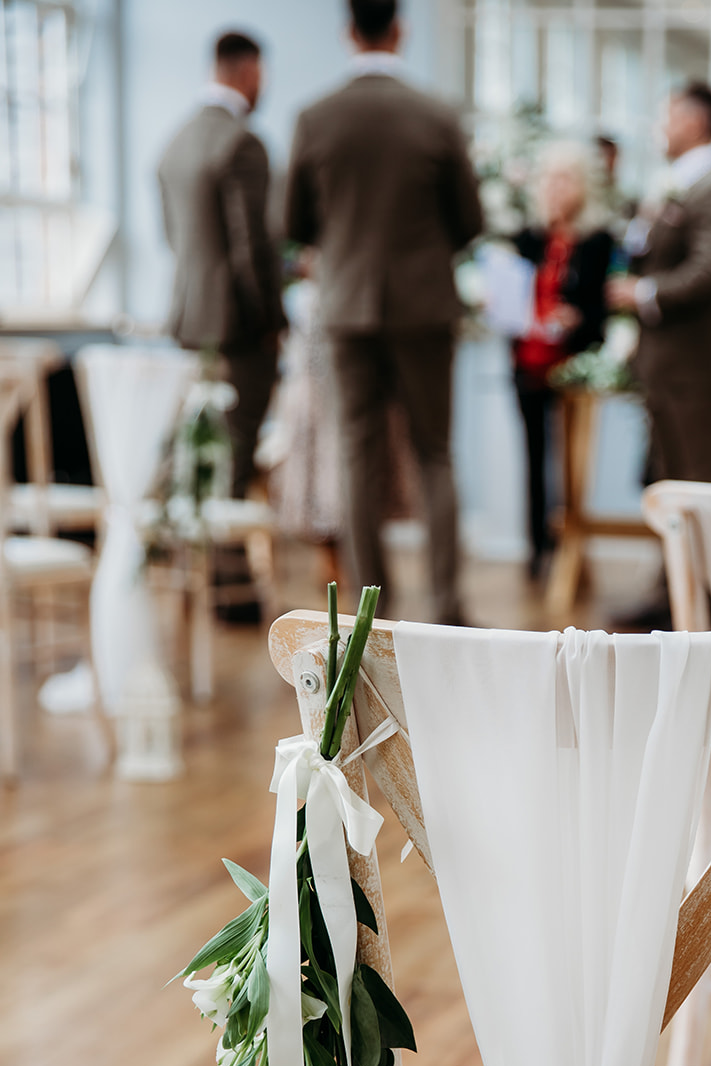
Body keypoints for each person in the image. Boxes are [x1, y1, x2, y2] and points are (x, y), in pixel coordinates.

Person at [285, 0, 483, 623]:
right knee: (435, 454)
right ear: (401, 29)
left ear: (349, 33)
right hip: (425, 307)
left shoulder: (315, 118)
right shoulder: (437, 114)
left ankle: (376, 616)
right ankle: (448, 607)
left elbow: (291, 223)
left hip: (345, 308)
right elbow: (471, 220)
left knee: (356, 456)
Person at [158, 31, 286, 500]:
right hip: (240, 331)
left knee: (192, 448)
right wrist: (273, 321)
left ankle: (185, 560)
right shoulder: (243, 143)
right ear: (248, 70)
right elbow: (252, 250)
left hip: (190, 324)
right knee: (233, 452)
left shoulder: (176, 142)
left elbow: (172, 237)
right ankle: (225, 567)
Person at [608, 82, 711, 487]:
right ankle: (672, 554)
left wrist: (643, 292)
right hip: (659, 361)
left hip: (689, 365)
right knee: (665, 482)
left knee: (694, 481)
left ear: (695, 123)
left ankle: (696, 555)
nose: (660, 127)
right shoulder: (670, 185)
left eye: (669, 116)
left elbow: (707, 272)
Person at [512, 144, 612, 580]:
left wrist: (576, 317)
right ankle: (539, 547)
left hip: (573, 365)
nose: (555, 188)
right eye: (549, 179)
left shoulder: (598, 241)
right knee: (532, 456)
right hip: (528, 360)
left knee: (572, 462)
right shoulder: (526, 239)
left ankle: (573, 547)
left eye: (565, 179)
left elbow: (602, 308)